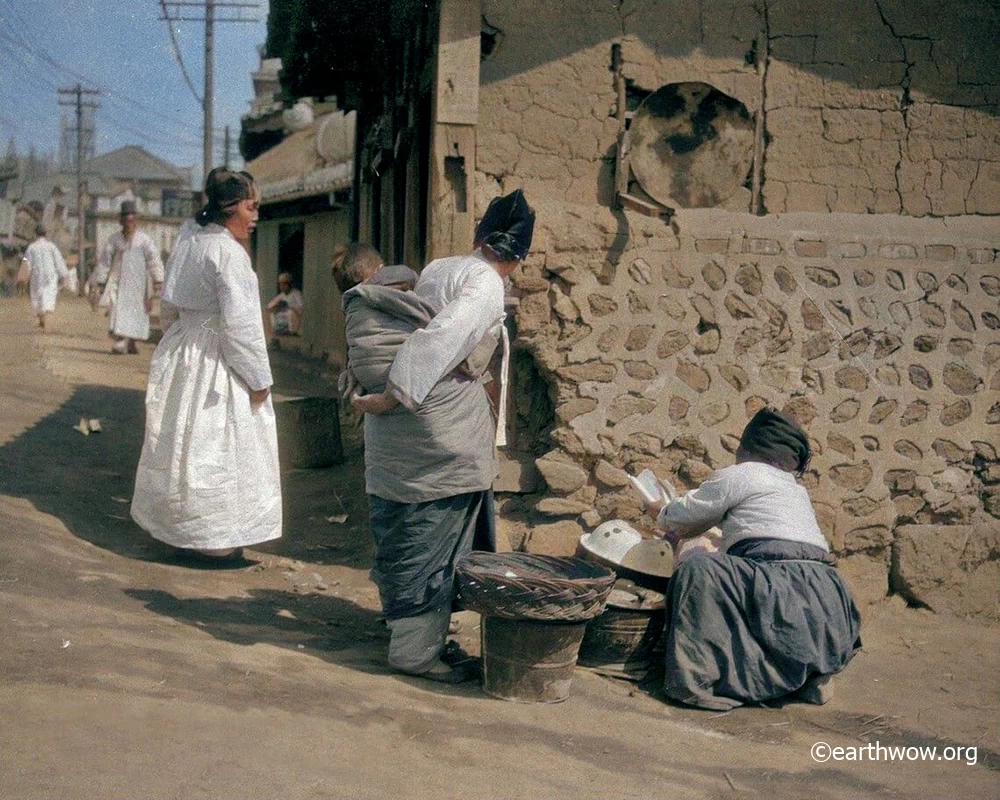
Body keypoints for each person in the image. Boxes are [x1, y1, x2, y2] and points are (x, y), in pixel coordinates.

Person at [351, 189, 535, 683]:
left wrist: (389, 400)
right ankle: (414, 654)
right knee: (432, 532)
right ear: (519, 258)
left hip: (404, 431)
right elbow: (441, 337)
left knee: (406, 525)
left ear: (478, 236)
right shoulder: (486, 283)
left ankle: (411, 630)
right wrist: (395, 393)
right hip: (434, 424)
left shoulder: (440, 268)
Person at [649, 407, 862, 711]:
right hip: (828, 598)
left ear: (747, 448)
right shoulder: (794, 490)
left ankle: (697, 684)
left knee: (699, 571)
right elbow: (764, 536)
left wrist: (659, 511)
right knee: (746, 585)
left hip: (781, 587)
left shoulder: (741, 475)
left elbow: (681, 518)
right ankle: (810, 678)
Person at [131, 169, 281, 560]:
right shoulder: (229, 254)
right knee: (220, 444)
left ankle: (179, 531)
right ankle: (216, 542)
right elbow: (241, 326)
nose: (256, 216)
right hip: (218, 355)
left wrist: (176, 346)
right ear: (230, 208)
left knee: (184, 441)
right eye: (252, 207)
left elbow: (168, 307)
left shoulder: (188, 244)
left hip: (186, 350)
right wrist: (259, 380)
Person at [96, 201, 164, 354]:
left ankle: (131, 342)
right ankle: (121, 342)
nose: (129, 223)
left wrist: (158, 279)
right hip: (119, 283)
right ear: (121, 221)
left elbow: (154, 260)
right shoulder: (114, 240)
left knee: (138, 313)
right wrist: (101, 280)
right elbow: (105, 261)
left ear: (136, 221)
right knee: (119, 311)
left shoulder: (144, 240)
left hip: (140, 284)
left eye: (132, 220)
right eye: (126, 220)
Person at [21, 223, 70, 329]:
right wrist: (64, 275)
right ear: (45, 234)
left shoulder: (31, 247)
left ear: (36, 233)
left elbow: (26, 261)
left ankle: (42, 318)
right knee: (48, 295)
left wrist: (24, 275)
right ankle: (44, 317)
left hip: (36, 275)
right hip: (50, 275)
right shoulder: (51, 246)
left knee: (37, 296)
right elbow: (59, 261)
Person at [265, 272, 304, 338]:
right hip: (283, 319)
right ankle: (276, 333)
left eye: (284, 284)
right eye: (281, 284)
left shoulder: (296, 293)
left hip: (295, 319)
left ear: (289, 284)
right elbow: (269, 306)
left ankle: (293, 333)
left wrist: (290, 307)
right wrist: (277, 306)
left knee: (290, 312)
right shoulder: (282, 295)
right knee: (271, 313)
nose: (282, 286)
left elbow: (301, 308)